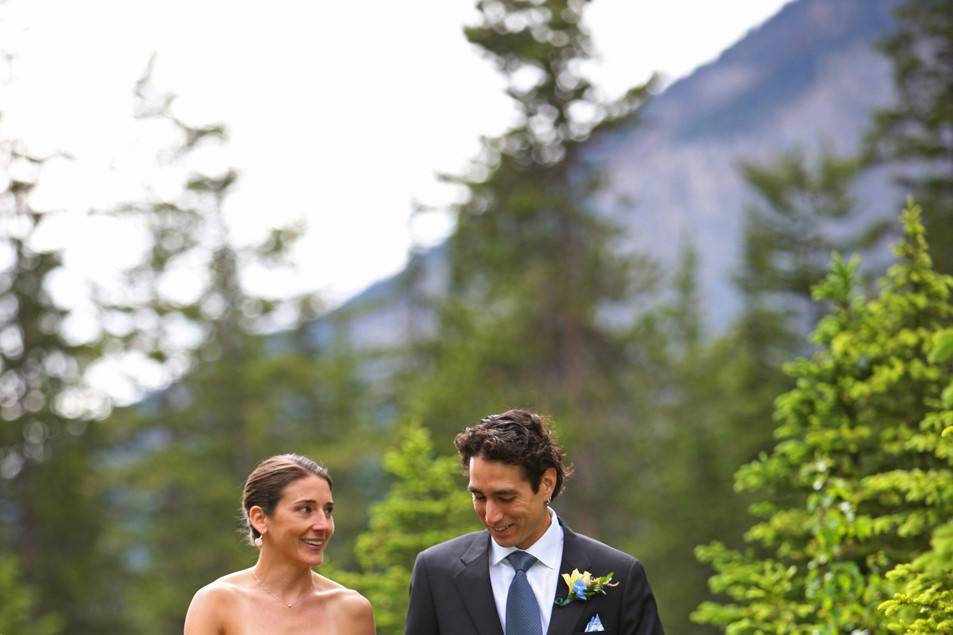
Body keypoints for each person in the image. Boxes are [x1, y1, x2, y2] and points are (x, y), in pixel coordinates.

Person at [405, 409, 664, 634]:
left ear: (546, 483)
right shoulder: (436, 573)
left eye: (505, 497)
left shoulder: (620, 576)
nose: (491, 515)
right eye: (479, 497)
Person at [184, 454, 375, 635]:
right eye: (305, 509)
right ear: (260, 519)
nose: (323, 525)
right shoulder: (217, 602)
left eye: (327, 510)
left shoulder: (352, 610)